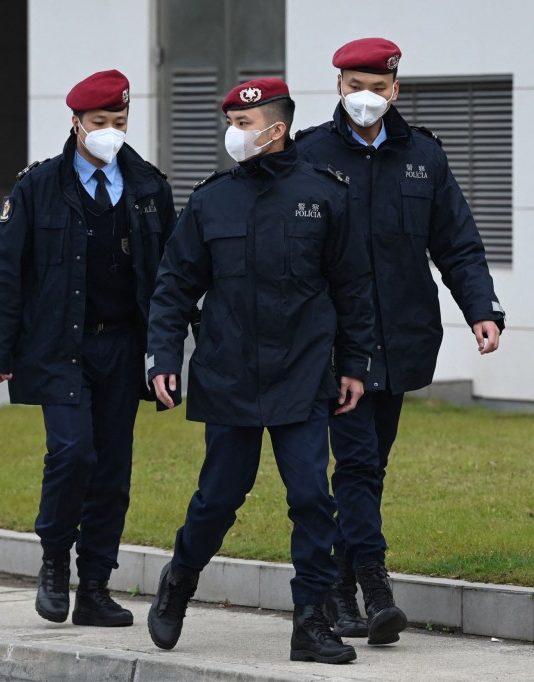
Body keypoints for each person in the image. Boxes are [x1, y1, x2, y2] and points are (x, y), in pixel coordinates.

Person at [145, 78, 376, 665]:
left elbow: (352, 289)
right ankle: (179, 580)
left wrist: (353, 365)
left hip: (302, 374)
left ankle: (311, 623)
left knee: (310, 497)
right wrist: (164, 358)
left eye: (243, 123)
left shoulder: (325, 194)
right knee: (220, 497)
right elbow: (174, 287)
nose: (233, 132)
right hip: (228, 375)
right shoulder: (210, 200)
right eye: (230, 121)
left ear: (276, 128)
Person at [295, 37, 506, 645]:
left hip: (402, 338)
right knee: (358, 461)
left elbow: (457, 243)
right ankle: (374, 586)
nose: (366, 97)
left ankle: (337, 587)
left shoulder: (424, 156)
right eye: (354, 85)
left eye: (378, 87)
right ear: (338, 86)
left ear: (396, 88)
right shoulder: (308, 154)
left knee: (371, 465)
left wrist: (481, 309)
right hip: (337, 346)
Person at [0, 69, 175, 628]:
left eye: (120, 122)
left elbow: (168, 280)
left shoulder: (150, 187)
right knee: (72, 453)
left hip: (122, 349)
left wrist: (166, 355)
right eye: (99, 123)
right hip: (60, 347)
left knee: (111, 468)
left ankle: (95, 588)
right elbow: (5, 270)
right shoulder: (37, 187)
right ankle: (54, 563)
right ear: (76, 123)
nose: (111, 132)